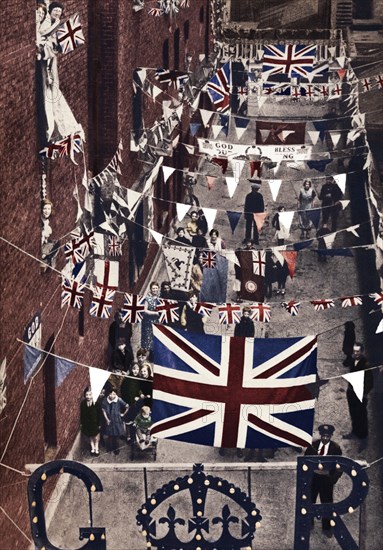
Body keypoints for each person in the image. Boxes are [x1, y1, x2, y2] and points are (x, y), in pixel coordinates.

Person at [304, 424, 342, 537]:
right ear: (320, 435)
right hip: (314, 479)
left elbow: (339, 467)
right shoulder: (313, 446)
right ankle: (309, 523)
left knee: (327, 503)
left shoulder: (335, 448)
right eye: (323, 436)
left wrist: (332, 480)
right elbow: (306, 461)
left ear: (331, 436)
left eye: (328, 436)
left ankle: (327, 527)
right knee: (310, 501)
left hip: (326, 480)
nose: (325, 438)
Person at [343, 343, 374, 448]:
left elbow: (370, 383)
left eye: (358, 351)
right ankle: (354, 432)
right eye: (354, 351)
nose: (355, 353)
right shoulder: (352, 361)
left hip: (360, 394)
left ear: (362, 351)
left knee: (362, 417)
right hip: (351, 392)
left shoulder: (366, 364)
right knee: (353, 413)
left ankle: (363, 440)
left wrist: (363, 393)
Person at [200, 229, 228, 304]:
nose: (213, 236)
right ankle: (208, 298)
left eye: (215, 235)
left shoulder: (221, 242)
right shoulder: (208, 242)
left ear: (217, 235)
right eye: (212, 234)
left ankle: (219, 299)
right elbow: (204, 251)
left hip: (219, 263)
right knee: (209, 279)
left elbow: (225, 252)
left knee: (219, 280)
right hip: (210, 262)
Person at [101, 387, 129, 455]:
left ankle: (116, 449)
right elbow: (103, 410)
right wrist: (106, 419)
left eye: (114, 394)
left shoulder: (119, 400)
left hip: (117, 420)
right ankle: (109, 448)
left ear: (116, 394)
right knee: (110, 436)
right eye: (110, 394)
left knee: (116, 436)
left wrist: (123, 414)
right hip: (109, 420)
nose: (112, 396)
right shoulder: (105, 400)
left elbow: (127, 406)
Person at [141, 282, 161, 357]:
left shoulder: (160, 297)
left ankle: (156, 353)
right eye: (153, 288)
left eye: (156, 288)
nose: (155, 290)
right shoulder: (148, 298)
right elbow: (145, 310)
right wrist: (154, 313)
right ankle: (149, 354)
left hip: (157, 321)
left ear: (158, 288)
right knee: (148, 337)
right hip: (148, 322)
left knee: (156, 336)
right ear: (150, 289)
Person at [80, 387, 102, 457]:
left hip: (95, 423)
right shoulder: (83, 404)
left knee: (96, 436)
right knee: (90, 436)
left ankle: (96, 447)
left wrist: (99, 424)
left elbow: (99, 414)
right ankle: (92, 447)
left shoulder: (96, 403)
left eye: (90, 395)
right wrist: (82, 423)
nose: (88, 397)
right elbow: (82, 414)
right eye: (87, 395)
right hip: (87, 423)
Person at [244, 180, 264, 245]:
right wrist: (245, 213)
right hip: (249, 214)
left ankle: (256, 240)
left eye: (256, 189)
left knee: (256, 228)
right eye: (253, 189)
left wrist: (261, 215)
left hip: (257, 215)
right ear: (251, 189)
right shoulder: (248, 196)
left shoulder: (260, 196)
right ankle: (247, 238)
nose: (254, 190)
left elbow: (262, 206)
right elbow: (246, 205)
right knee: (248, 227)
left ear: (257, 189)